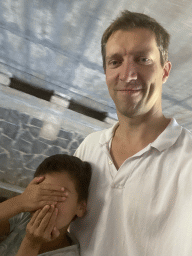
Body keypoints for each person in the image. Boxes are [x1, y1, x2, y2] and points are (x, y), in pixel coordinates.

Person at [70, 10, 192, 256]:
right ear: (106, 73)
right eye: (115, 62)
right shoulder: (89, 148)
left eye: (143, 59)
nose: (127, 75)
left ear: (165, 71)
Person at [0, 154, 92, 256]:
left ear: (80, 207)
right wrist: (20, 201)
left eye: (59, 196)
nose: (47, 204)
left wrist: (32, 244)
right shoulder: (23, 218)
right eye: (42, 194)